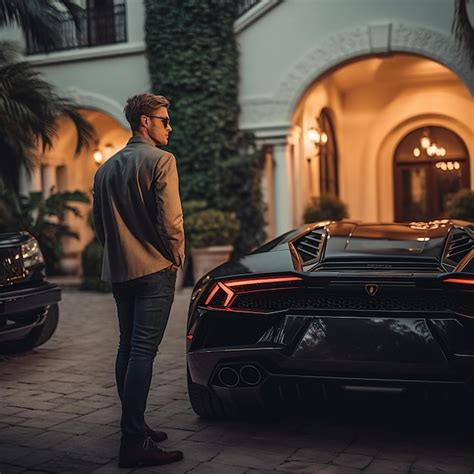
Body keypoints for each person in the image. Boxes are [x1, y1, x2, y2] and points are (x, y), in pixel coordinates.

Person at [92, 93, 185, 468]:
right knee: (142, 352)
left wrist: (118, 251)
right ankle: (133, 441)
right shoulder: (162, 160)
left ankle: (136, 425)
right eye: (164, 119)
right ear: (144, 121)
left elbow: (100, 226)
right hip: (153, 270)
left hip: (120, 271)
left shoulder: (105, 168)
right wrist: (176, 255)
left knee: (127, 348)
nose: (169, 126)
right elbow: (170, 221)